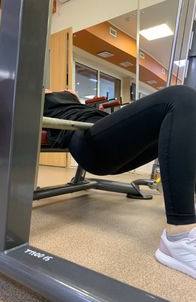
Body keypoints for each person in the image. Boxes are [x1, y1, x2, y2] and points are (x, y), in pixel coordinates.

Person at [44, 85, 196, 279]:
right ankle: (179, 237)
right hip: (87, 141)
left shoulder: (69, 96)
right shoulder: (29, 94)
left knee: (188, 115)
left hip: (105, 129)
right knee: (182, 98)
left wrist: (70, 94)